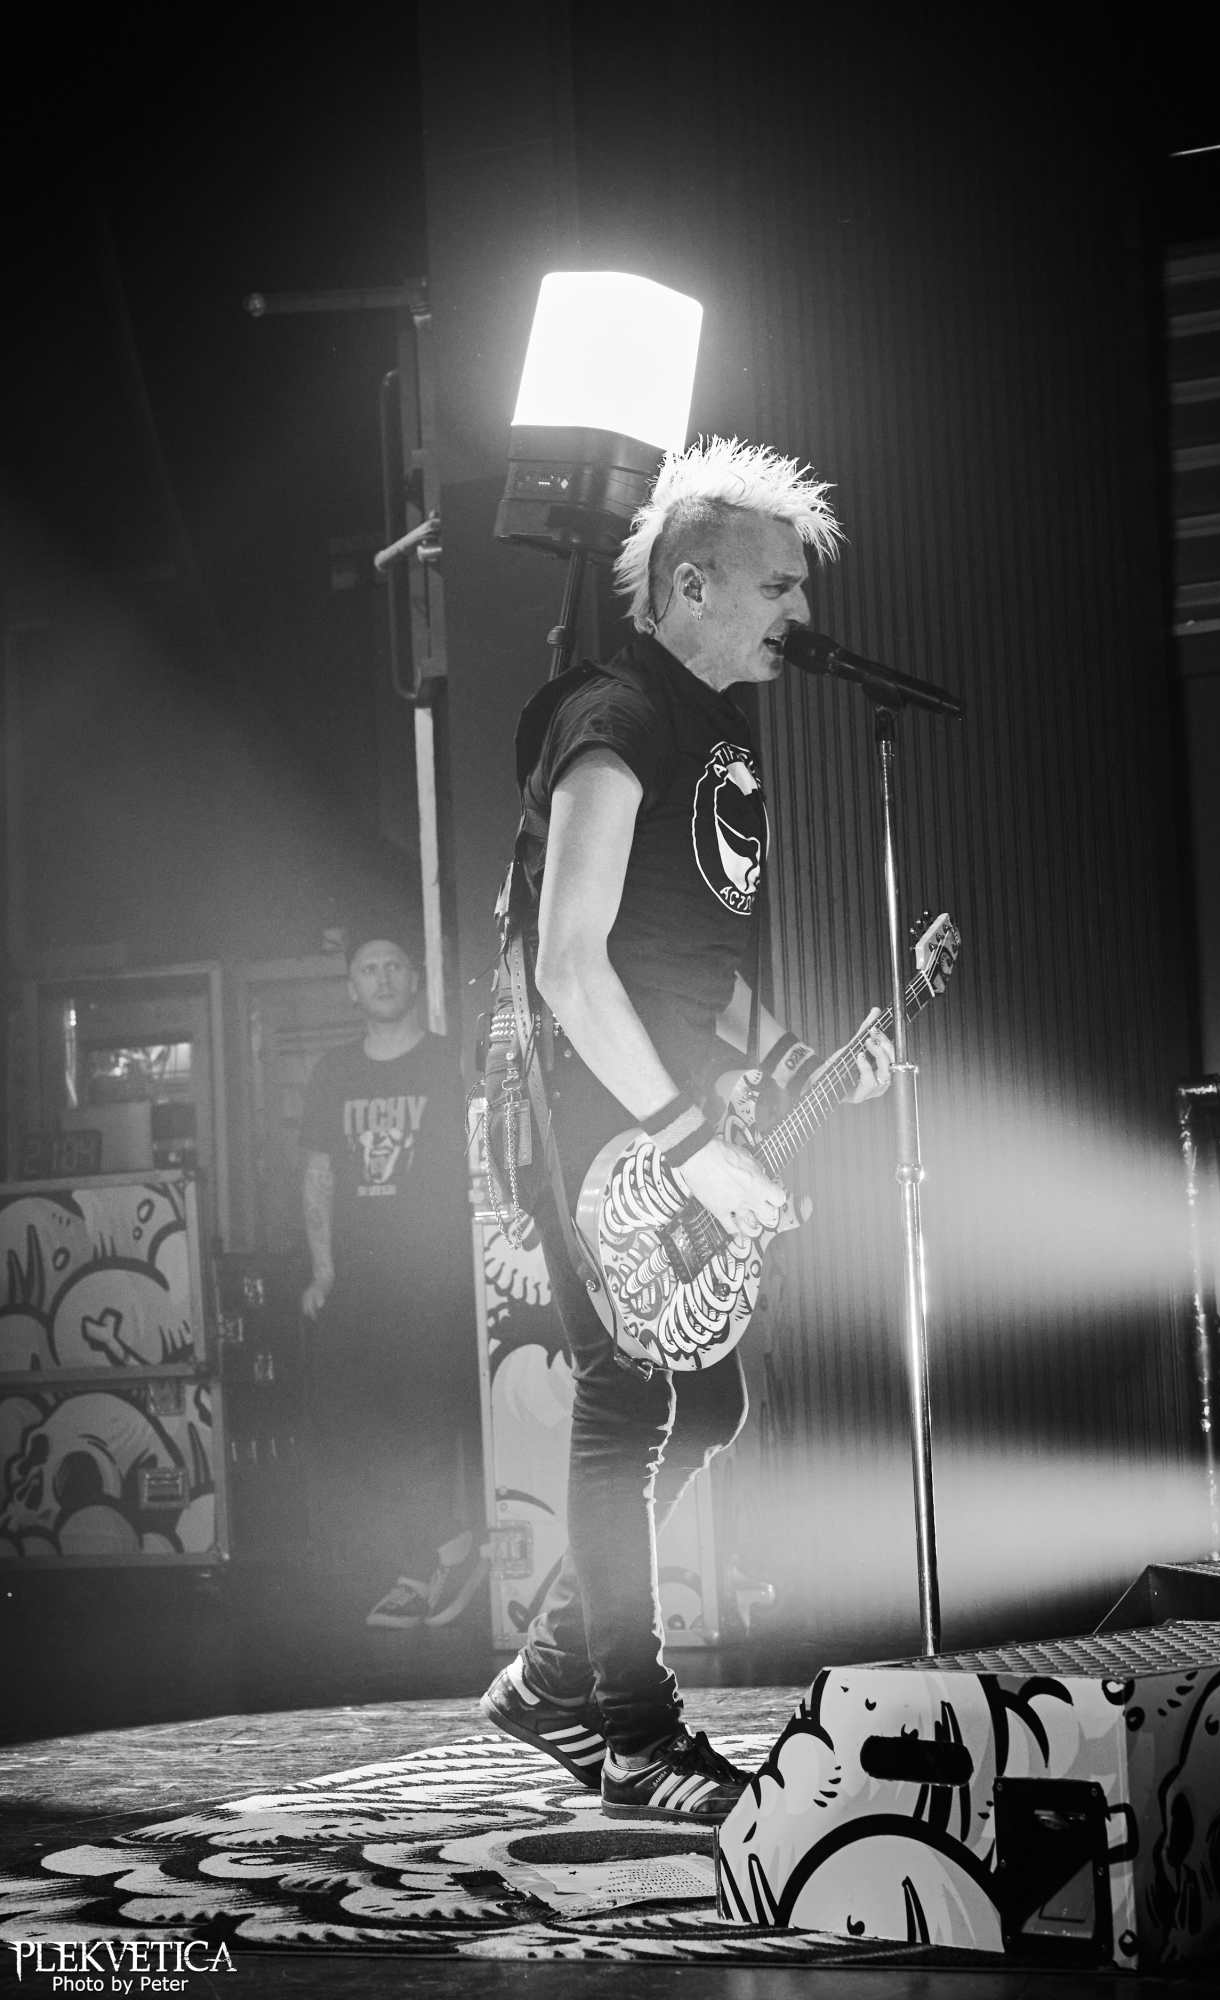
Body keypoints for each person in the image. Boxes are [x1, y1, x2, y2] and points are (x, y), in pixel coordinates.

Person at [479, 437, 893, 1821]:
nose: (800, 612)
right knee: (631, 1391)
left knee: (707, 1398)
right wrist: (683, 1138)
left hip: (658, 1100)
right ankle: (635, 1738)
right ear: (691, 582)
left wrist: (793, 1058)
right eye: (778, 586)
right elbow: (568, 960)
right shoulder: (616, 714)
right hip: (581, 1101)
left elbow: (690, 959)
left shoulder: (721, 731)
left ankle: (552, 1676)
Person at [299, 918, 483, 1630]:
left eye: (394, 965)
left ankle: (427, 1566)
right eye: (369, 968)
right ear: (352, 988)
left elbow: (483, 1155)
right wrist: (323, 1271)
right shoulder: (333, 1071)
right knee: (366, 1430)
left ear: (415, 979)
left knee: (430, 1423)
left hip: (438, 1277)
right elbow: (318, 1174)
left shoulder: (447, 1062)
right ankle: (448, 1550)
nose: (382, 977)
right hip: (361, 1284)